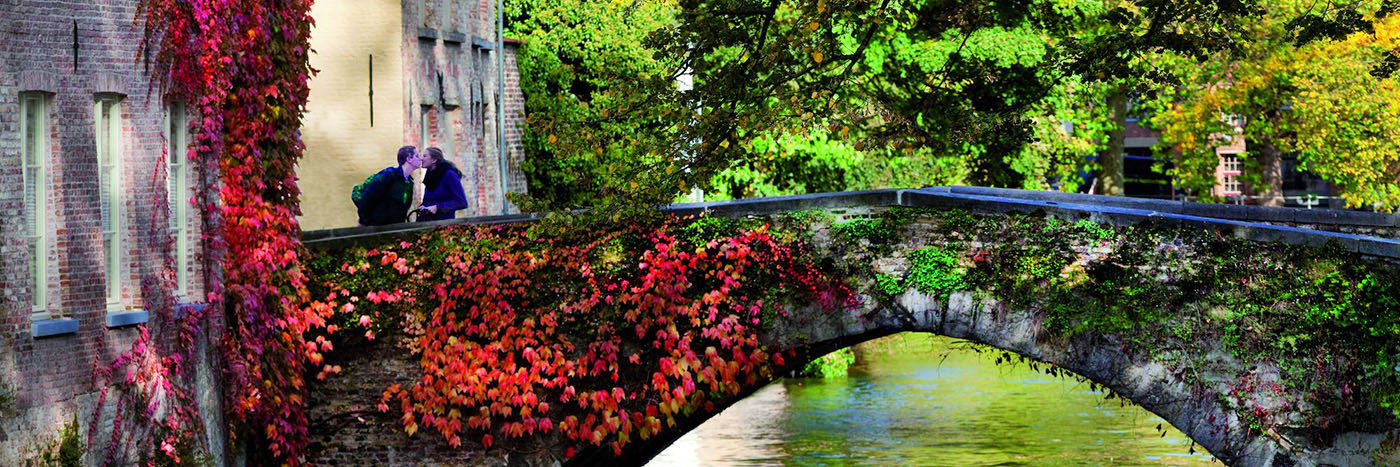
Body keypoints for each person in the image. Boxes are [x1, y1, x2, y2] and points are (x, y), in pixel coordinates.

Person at [352, 146, 423, 225]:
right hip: (377, 226)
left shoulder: (409, 182)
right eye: (417, 156)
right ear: (409, 159)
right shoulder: (389, 174)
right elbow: (369, 196)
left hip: (394, 227)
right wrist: (365, 220)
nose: (420, 159)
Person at [416, 147, 469, 222]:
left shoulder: (449, 175)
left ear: (434, 160)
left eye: (425, 156)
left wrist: (437, 207)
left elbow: (461, 202)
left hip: (444, 223)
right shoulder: (429, 175)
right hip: (427, 222)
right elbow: (429, 199)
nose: (421, 159)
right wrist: (423, 207)